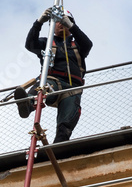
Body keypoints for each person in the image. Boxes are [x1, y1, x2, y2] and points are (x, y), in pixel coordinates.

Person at [14, 8, 93, 143]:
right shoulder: (47, 43)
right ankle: (27, 104)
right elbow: (30, 44)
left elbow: (88, 44)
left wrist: (71, 25)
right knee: (42, 88)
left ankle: (59, 145)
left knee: (67, 121)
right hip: (53, 81)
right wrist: (39, 22)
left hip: (72, 89)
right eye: (57, 22)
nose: (60, 24)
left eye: (63, 22)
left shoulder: (77, 45)